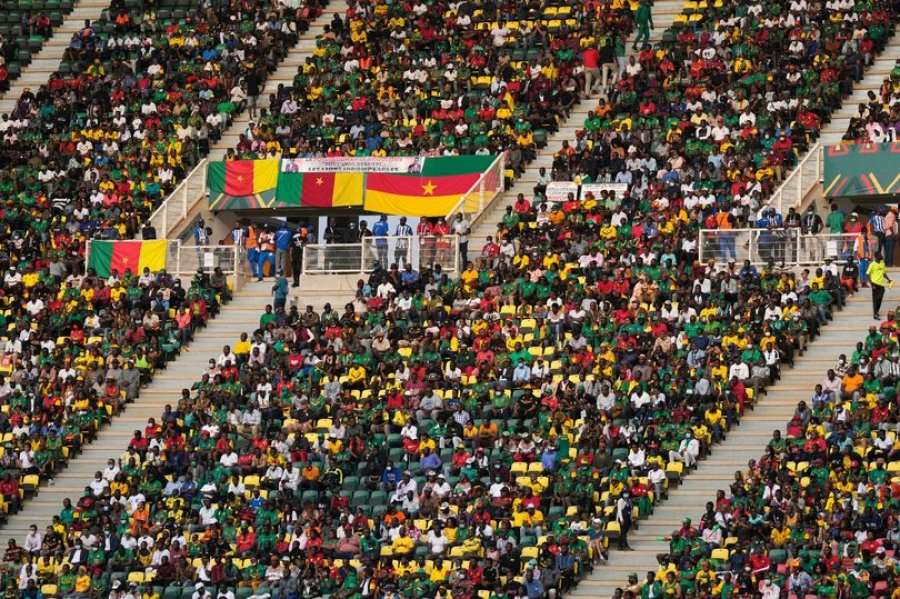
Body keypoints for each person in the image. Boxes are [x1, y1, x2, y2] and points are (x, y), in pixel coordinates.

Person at [866, 251, 891, 319]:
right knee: (875, 300)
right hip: (874, 284)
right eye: (880, 255)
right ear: (876, 257)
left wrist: (888, 279)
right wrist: (872, 284)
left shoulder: (882, 263)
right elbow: (867, 274)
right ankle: (875, 314)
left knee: (879, 299)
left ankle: (876, 311)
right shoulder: (872, 264)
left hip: (881, 284)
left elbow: (883, 273)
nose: (882, 256)